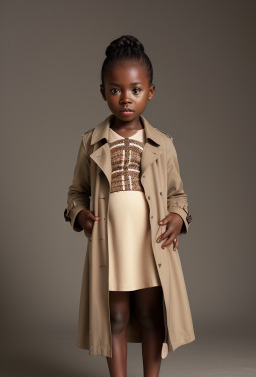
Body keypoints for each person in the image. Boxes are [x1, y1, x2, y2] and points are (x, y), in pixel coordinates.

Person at [64, 34, 194, 377]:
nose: (126, 98)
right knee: (115, 318)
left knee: (153, 317)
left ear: (150, 91)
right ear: (103, 91)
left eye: (135, 89)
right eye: (116, 89)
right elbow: (76, 192)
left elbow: (178, 195)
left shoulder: (163, 144)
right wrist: (81, 216)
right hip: (112, 247)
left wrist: (179, 219)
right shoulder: (90, 142)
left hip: (150, 247)